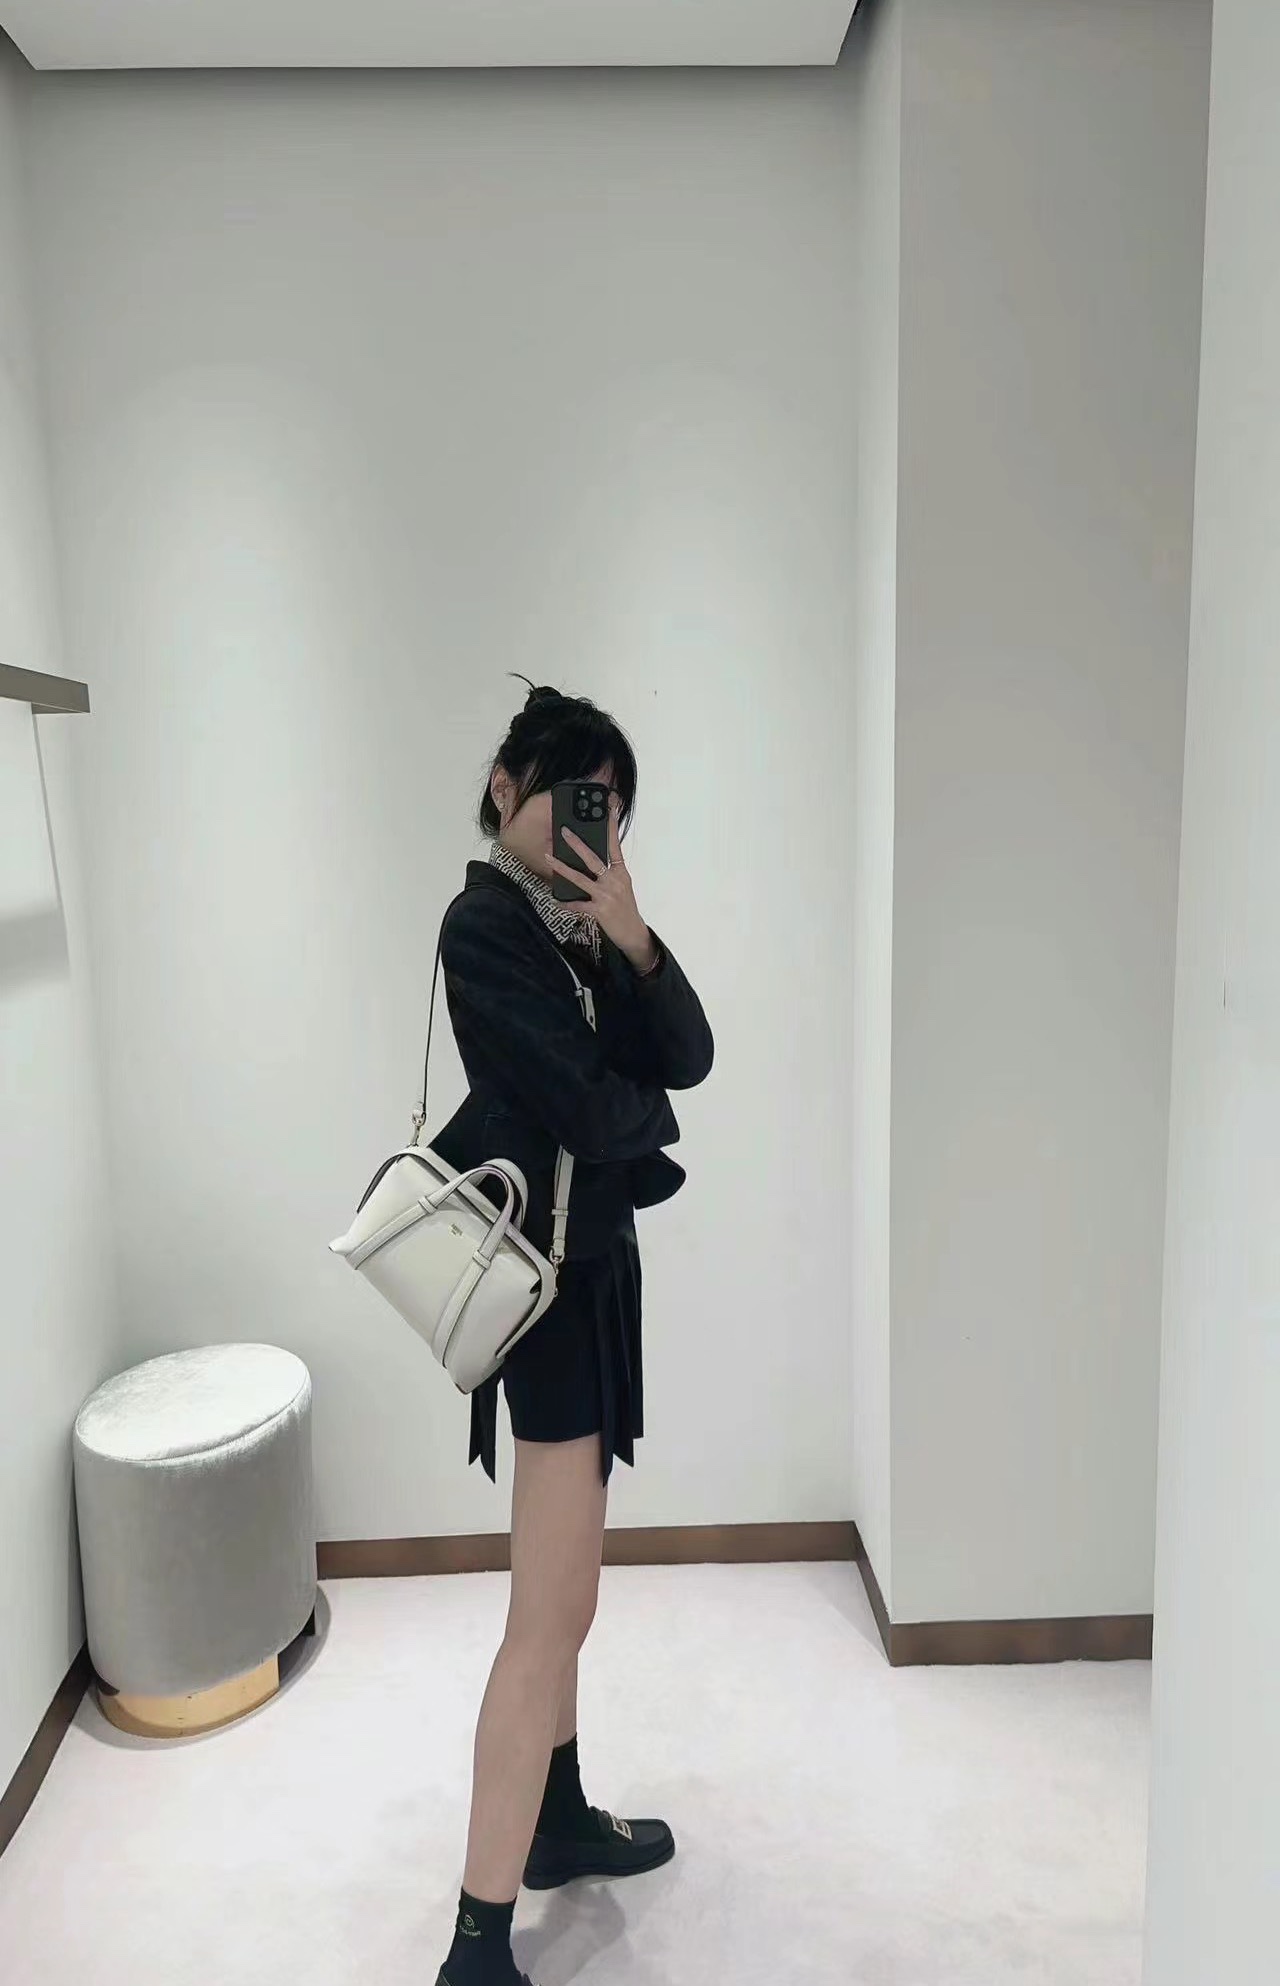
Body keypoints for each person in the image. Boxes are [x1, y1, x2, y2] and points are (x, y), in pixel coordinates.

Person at [431, 683, 714, 1986]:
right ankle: (477, 1942)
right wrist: (638, 1113)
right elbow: (599, 1115)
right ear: (507, 786)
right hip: (546, 1302)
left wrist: (635, 937)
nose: (594, 822)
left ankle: (556, 1819)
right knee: (547, 1615)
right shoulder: (486, 925)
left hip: (588, 1281)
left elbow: (685, 1056)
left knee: (570, 1599)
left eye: (612, 804)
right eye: (575, 794)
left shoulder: (581, 931)